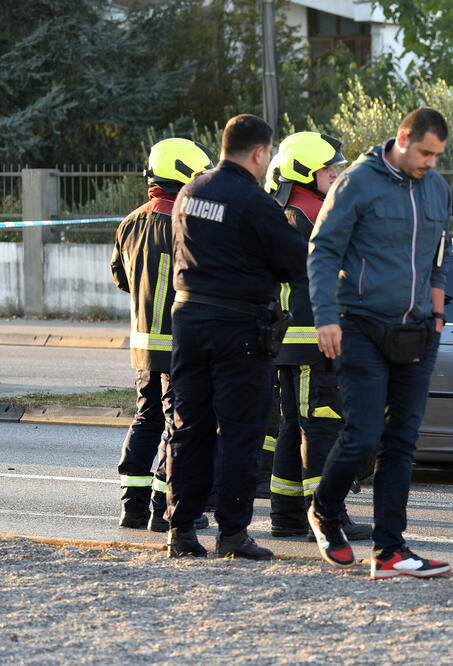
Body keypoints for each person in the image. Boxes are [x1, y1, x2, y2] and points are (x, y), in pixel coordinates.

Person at [307, 107, 452, 578]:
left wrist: (438, 314)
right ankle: (325, 511)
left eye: (438, 155)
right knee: (364, 436)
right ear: (403, 137)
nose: (431, 162)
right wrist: (326, 318)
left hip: (417, 331)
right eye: (426, 152)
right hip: (360, 325)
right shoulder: (357, 182)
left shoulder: (437, 187)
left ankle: (390, 550)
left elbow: (439, 256)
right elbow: (323, 250)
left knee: (402, 443)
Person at [165, 114, 307, 560]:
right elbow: (294, 265)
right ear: (260, 153)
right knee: (241, 431)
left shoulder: (189, 193)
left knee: (190, 428)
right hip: (239, 329)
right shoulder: (254, 201)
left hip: (188, 321)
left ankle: (181, 532)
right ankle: (232, 535)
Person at [266, 131, 372, 541]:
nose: (333, 172)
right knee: (321, 426)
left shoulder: (283, 213)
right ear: (305, 172)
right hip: (316, 339)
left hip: (288, 342)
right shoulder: (315, 215)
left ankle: (286, 516)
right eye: (327, 167)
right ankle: (327, 518)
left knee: (292, 427)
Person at [110, 138, 212, 533]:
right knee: (178, 426)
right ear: (184, 174)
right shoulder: (190, 222)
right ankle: (161, 509)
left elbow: (121, 279)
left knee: (147, 418)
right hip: (181, 343)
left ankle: (131, 509)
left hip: (142, 347)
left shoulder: (130, 222)